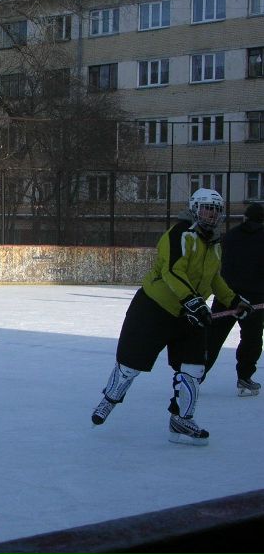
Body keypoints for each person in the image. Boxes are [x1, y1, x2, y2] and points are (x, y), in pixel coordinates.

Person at [90, 189, 252, 445]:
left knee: (193, 370)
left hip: (190, 314)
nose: (211, 213)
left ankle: (181, 420)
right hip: (155, 308)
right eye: (206, 207)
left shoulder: (214, 244)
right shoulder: (180, 234)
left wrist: (234, 300)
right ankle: (110, 397)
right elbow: (172, 271)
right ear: (194, 208)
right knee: (131, 364)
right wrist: (193, 301)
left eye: (216, 209)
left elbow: (213, 278)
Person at [204, 202, 264, 396]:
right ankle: (245, 377)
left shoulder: (229, 236)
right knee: (251, 339)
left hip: (226, 295)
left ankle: (194, 376)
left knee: (212, 338)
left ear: (245, 217)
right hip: (255, 298)